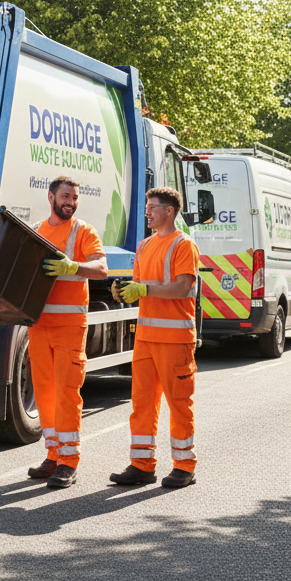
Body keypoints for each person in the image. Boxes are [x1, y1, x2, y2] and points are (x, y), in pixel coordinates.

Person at [109, 187, 201, 488]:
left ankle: (184, 466)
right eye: (147, 206)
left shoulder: (183, 245)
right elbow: (138, 285)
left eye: (152, 207)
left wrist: (144, 289)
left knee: (178, 403)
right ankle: (141, 465)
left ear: (169, 211)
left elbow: (181, 288)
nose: (147, 212)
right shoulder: (145, 246)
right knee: (142, 402)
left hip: (175, 340)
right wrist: (124, 290)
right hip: (146, 338)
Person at [27, 175, 107, 489]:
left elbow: (101, 268)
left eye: (74, 197)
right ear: (50, 197)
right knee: (44, 394)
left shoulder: (83, 231)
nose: (70, 202)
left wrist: (72, 266)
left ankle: (68, 461)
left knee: (66, 394)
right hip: (39, 325)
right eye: (65, 196)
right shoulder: (36, 230)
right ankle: (53, 455)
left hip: (70, 327)